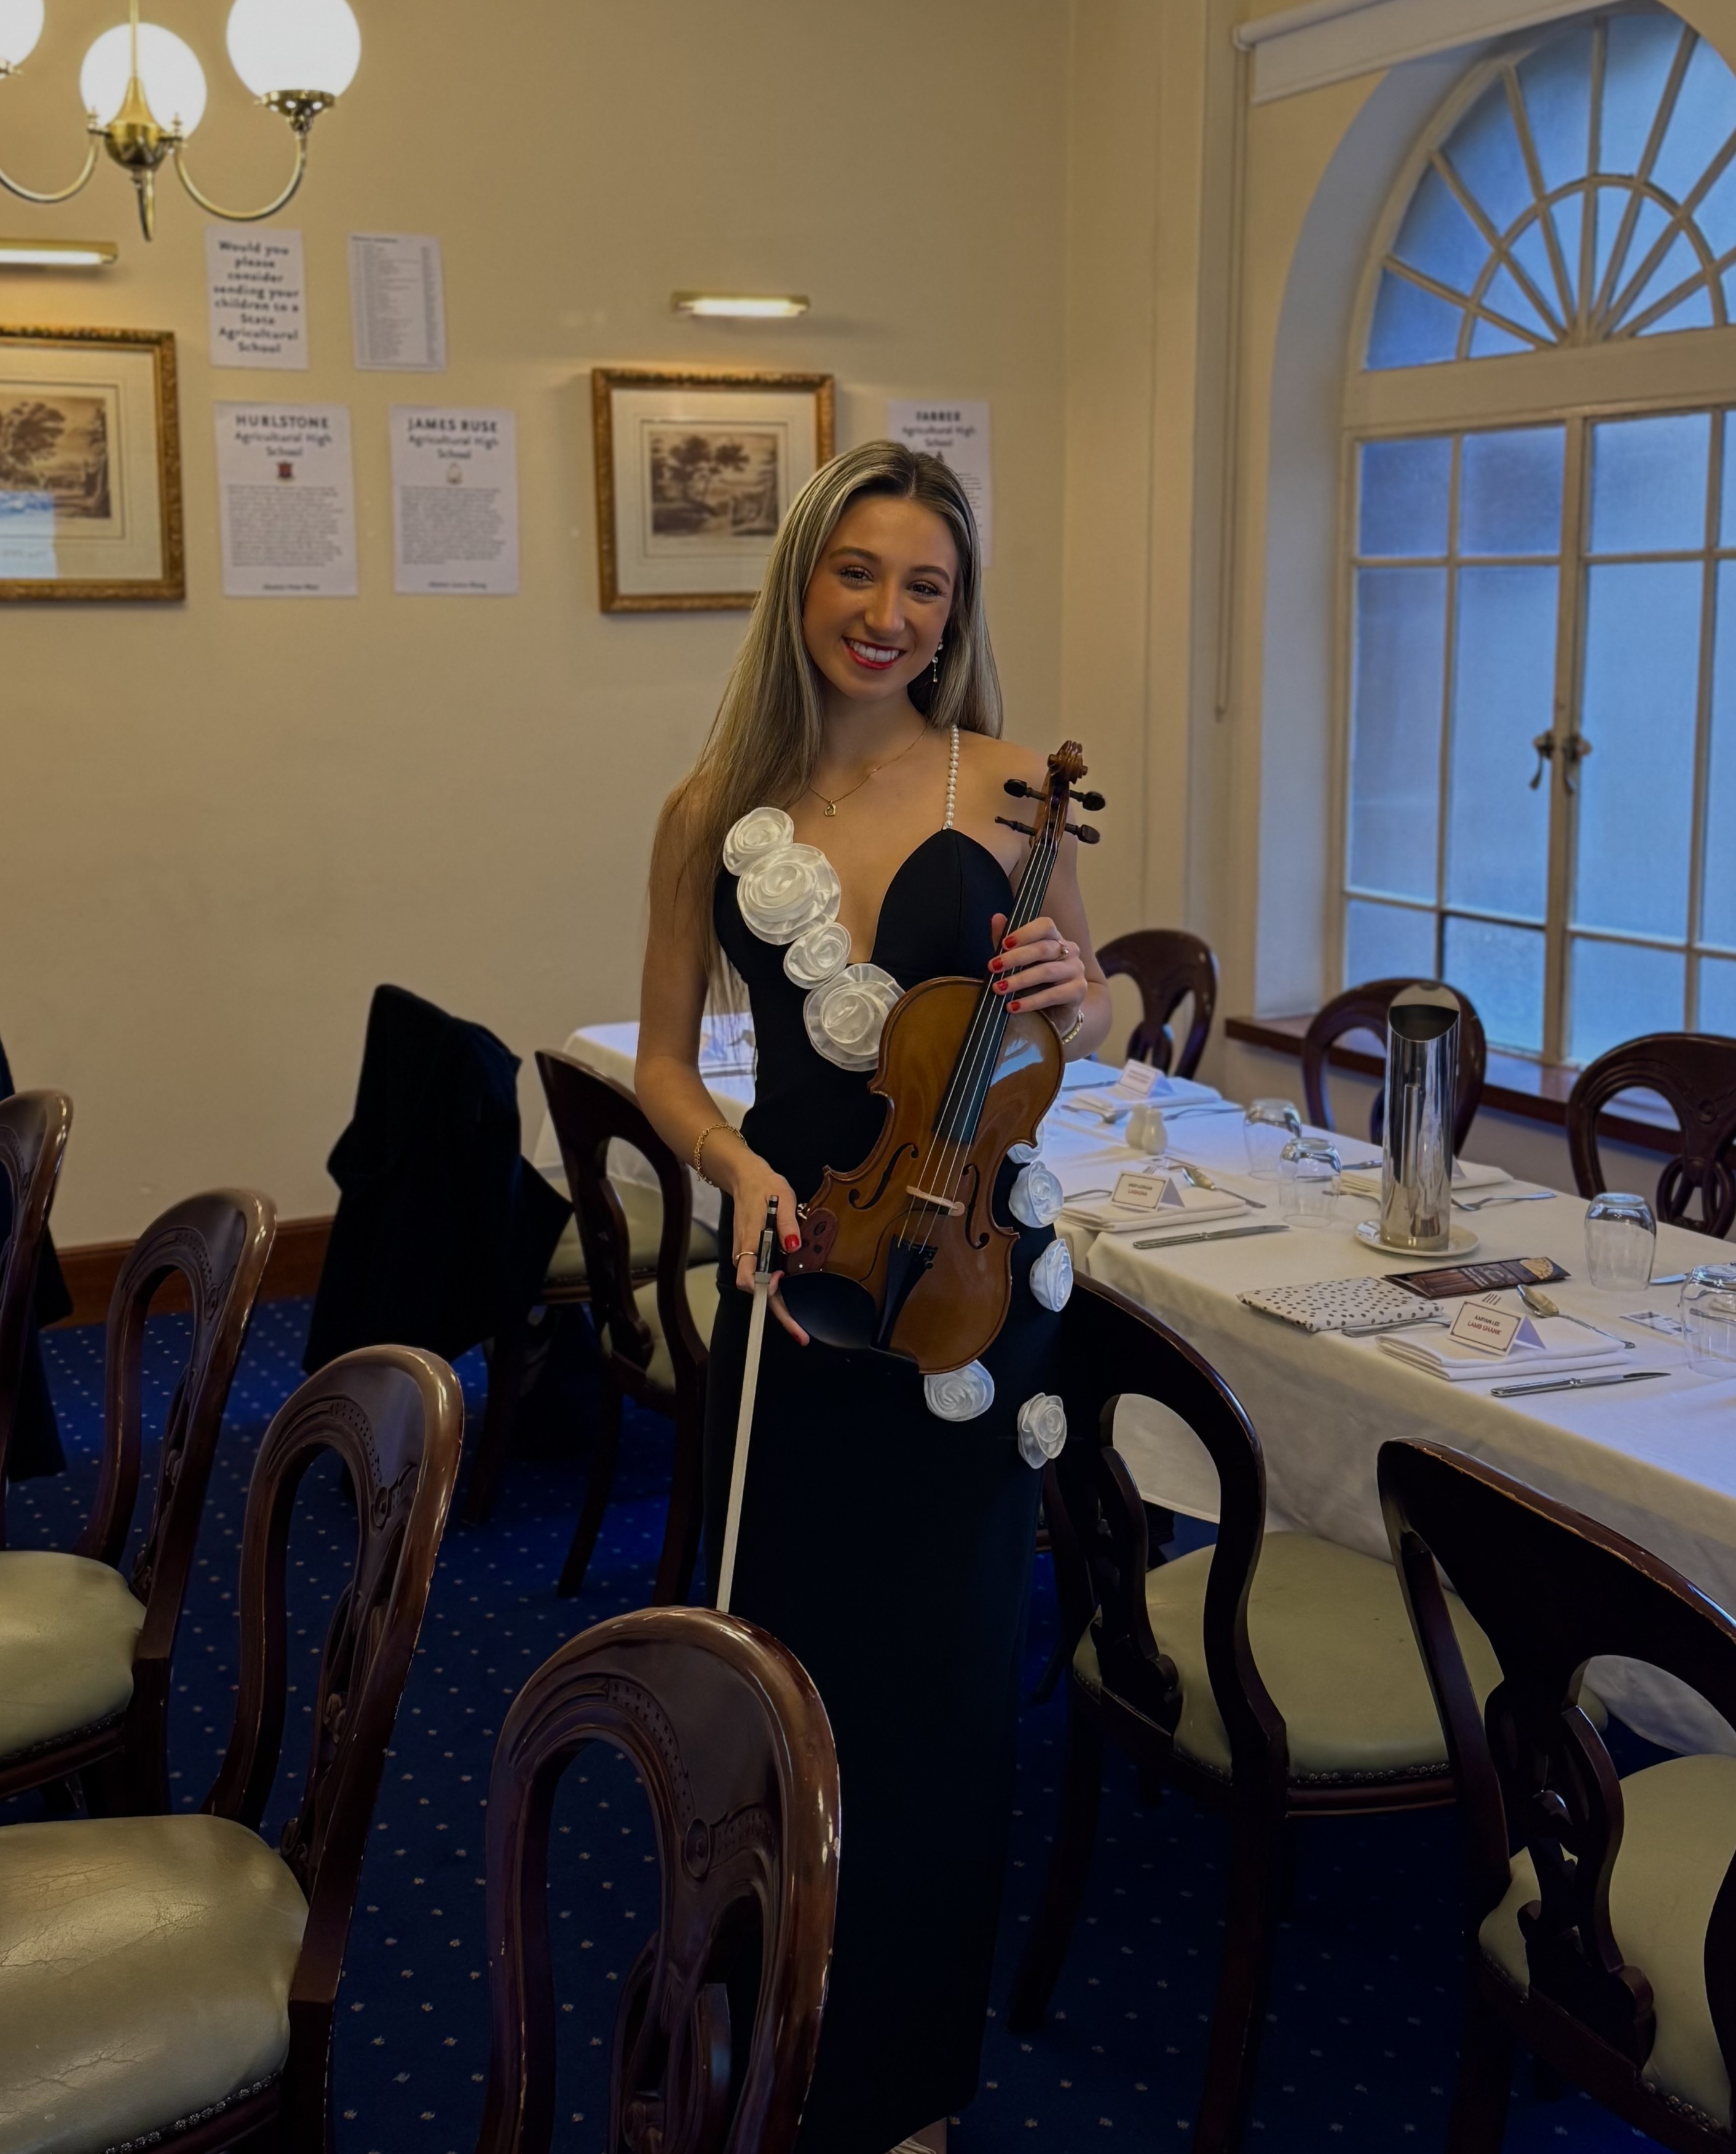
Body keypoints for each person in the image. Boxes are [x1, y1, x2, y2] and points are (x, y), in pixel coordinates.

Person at [636, 440, 1111, 2154]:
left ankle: (905, 2088)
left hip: (975, 1299)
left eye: (928, 587)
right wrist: (737, 1172)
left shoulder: (1009, 788)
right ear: (803, 585)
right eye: (860, 576)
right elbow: (674, 1070)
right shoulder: (711, 807)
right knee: (781, 1675)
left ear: (956, 612)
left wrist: (1083, 985)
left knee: (945, 1702)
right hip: (801, 1271)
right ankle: (761, 2009)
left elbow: (1095, 1019)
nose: (889, 616)